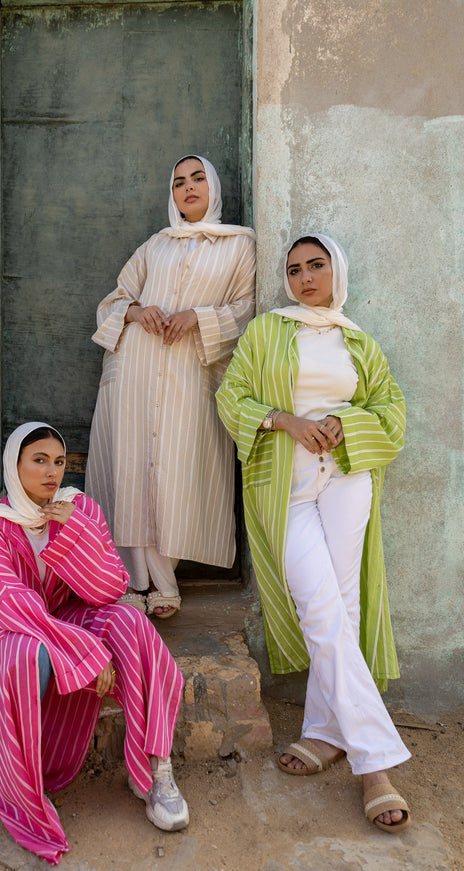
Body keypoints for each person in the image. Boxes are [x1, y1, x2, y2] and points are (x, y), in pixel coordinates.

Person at [0, 422, 188, 866]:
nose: (52, 472)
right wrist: (80, 649)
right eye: (39, 460)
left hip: (66, 618)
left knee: (131, 622)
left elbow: (111, 588)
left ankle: (155, 768)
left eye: (59, 462)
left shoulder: (78, 508)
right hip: (9, 632)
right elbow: (9, 601)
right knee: (28, 654)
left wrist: (79, 533)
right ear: (15, 464)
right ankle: (23, 783)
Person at [216, 234, 411, 832]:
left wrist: (340, 421)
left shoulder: (359, 341)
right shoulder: (268, 331)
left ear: (335, 272)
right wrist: (288, 421)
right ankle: (375, 764)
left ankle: (326, 733)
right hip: (287, 486)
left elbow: (391, 414)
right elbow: (232, 397)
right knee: (319, 605)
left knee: (342, 607)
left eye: (316, 266)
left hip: (348, 479)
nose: (305, 278)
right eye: (294, 269)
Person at [86, 155, 256, 618]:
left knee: (178, 471)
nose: (188, 188)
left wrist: (196, 317)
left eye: (197, 178)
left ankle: (164, 577)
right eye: (179, 182)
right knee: (133, 466)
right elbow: (115, 300)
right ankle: (132, 581)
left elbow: (246, 308)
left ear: (213, 187)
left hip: (189, 369)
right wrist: (141, 312)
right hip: (136, 369)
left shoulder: (241, 246)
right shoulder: (154, 246)